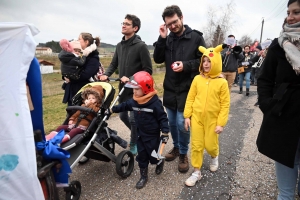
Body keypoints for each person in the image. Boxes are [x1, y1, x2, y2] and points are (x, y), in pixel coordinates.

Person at [153, 5, 206, 173]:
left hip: (188, 89)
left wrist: (185, 65)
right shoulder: (167, 39)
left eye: (175, 22)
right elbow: (158, 58)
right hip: (170, 88)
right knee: (172, 123)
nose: (173, 26)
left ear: (181, 17)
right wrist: (162, 38)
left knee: (182, 123)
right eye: (169, 24)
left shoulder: (196, 38)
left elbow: (204, 62)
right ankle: (176, 148)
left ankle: (183, 153)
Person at [256, 0, 300, 199]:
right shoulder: (278, 45)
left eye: (296, 12)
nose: (290, 17)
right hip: (283, 116)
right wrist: (267, 105)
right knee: (285, 192)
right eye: (289, 12)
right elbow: (264, 78)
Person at [99, 14, 152, 155]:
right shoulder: (119, 46)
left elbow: (148, 70)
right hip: (123, 90)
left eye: (127, 24)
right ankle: (139, 134)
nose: (123, 25)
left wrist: (130, 78)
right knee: (123, 116)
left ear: (135, 28)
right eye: (123, 23)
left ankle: (134, 141)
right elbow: (113, 64)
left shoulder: (141, 46)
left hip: (136, 90)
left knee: (134, 119)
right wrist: (106, 75)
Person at [107, 71, 169, 189]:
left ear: (146, 88)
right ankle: (143, 176)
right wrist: (112, 110)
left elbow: (162, 118)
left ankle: (159, 162)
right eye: (133, 89)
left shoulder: (154, 103)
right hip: (140, 134)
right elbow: (124, 106)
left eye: (136, 89)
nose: (134, 92)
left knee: (154, 155)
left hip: (152, 135)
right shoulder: (134, 101)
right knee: (142, 156)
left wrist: (165, 131)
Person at [183, 44, 230, 186]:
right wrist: (187, 115)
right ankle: (196, 172)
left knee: (210, 145)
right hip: (197, 118)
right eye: (204, 61)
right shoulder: (197, 79)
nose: (206, 64)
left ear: (216, 62)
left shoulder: (222, 83)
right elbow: (191, 97)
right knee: (196, 145)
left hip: (212, 120)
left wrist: (221, 123)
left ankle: (214, 156)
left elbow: (225, 105)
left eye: (209, 61)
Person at [62, 33, 100, 106]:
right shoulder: (77, 55)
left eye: (79, 39)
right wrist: (65, 76)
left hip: (83, 93)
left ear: (86, 42)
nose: (77, 41)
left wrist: (71, 78)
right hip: (72, 91)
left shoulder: (93, 58)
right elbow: (68, 67)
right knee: (70, 115)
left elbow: (86, 74)